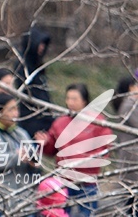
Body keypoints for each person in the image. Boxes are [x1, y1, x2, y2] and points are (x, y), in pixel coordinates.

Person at [36, 83, 112, 217]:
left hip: (86, 181)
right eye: (68, 98)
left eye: (74, 99)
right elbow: (51, 150)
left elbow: (103, 151)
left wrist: (80, 160)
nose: (70, 102)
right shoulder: (60, 122)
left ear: (84, 101)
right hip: (63, 179)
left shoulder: (97, 122)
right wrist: (45, 143)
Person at [0, 93, 42, 217]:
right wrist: (16, 157)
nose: (16, 114)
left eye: (16, 109)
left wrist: (35, 162)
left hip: (24, 203)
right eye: (11, 110)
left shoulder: (21, 133)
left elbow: (35, 163)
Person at [14, 26, 54, 136]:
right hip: (31, 117)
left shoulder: (37, 64)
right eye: (39, 44)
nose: (42, 47)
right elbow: (30, 93)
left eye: (43, 44)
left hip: (43, 115)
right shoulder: (23, 65)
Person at [110, 75, 138, 217]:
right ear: (131, 88)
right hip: (132, 161)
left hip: (131, 162)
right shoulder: (128, 105)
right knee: (132, 204)